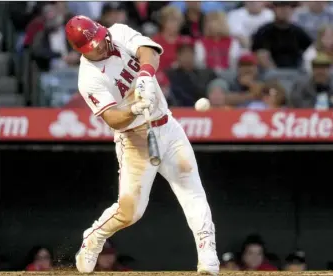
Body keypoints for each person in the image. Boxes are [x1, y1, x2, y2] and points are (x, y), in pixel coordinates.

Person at [65, 15, 219, 275]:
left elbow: (149, 51)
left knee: (192, 189)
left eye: (100, 39)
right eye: (93, 46)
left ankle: (208, 256)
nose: (101, 46)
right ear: (81, 50)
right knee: (130, 212)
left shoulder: (117, 33)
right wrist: (134, 108)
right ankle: (94, 237)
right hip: (134, 139)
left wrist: (146, 75)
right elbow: (112, 118)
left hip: (166, 127)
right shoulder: (88, 78)